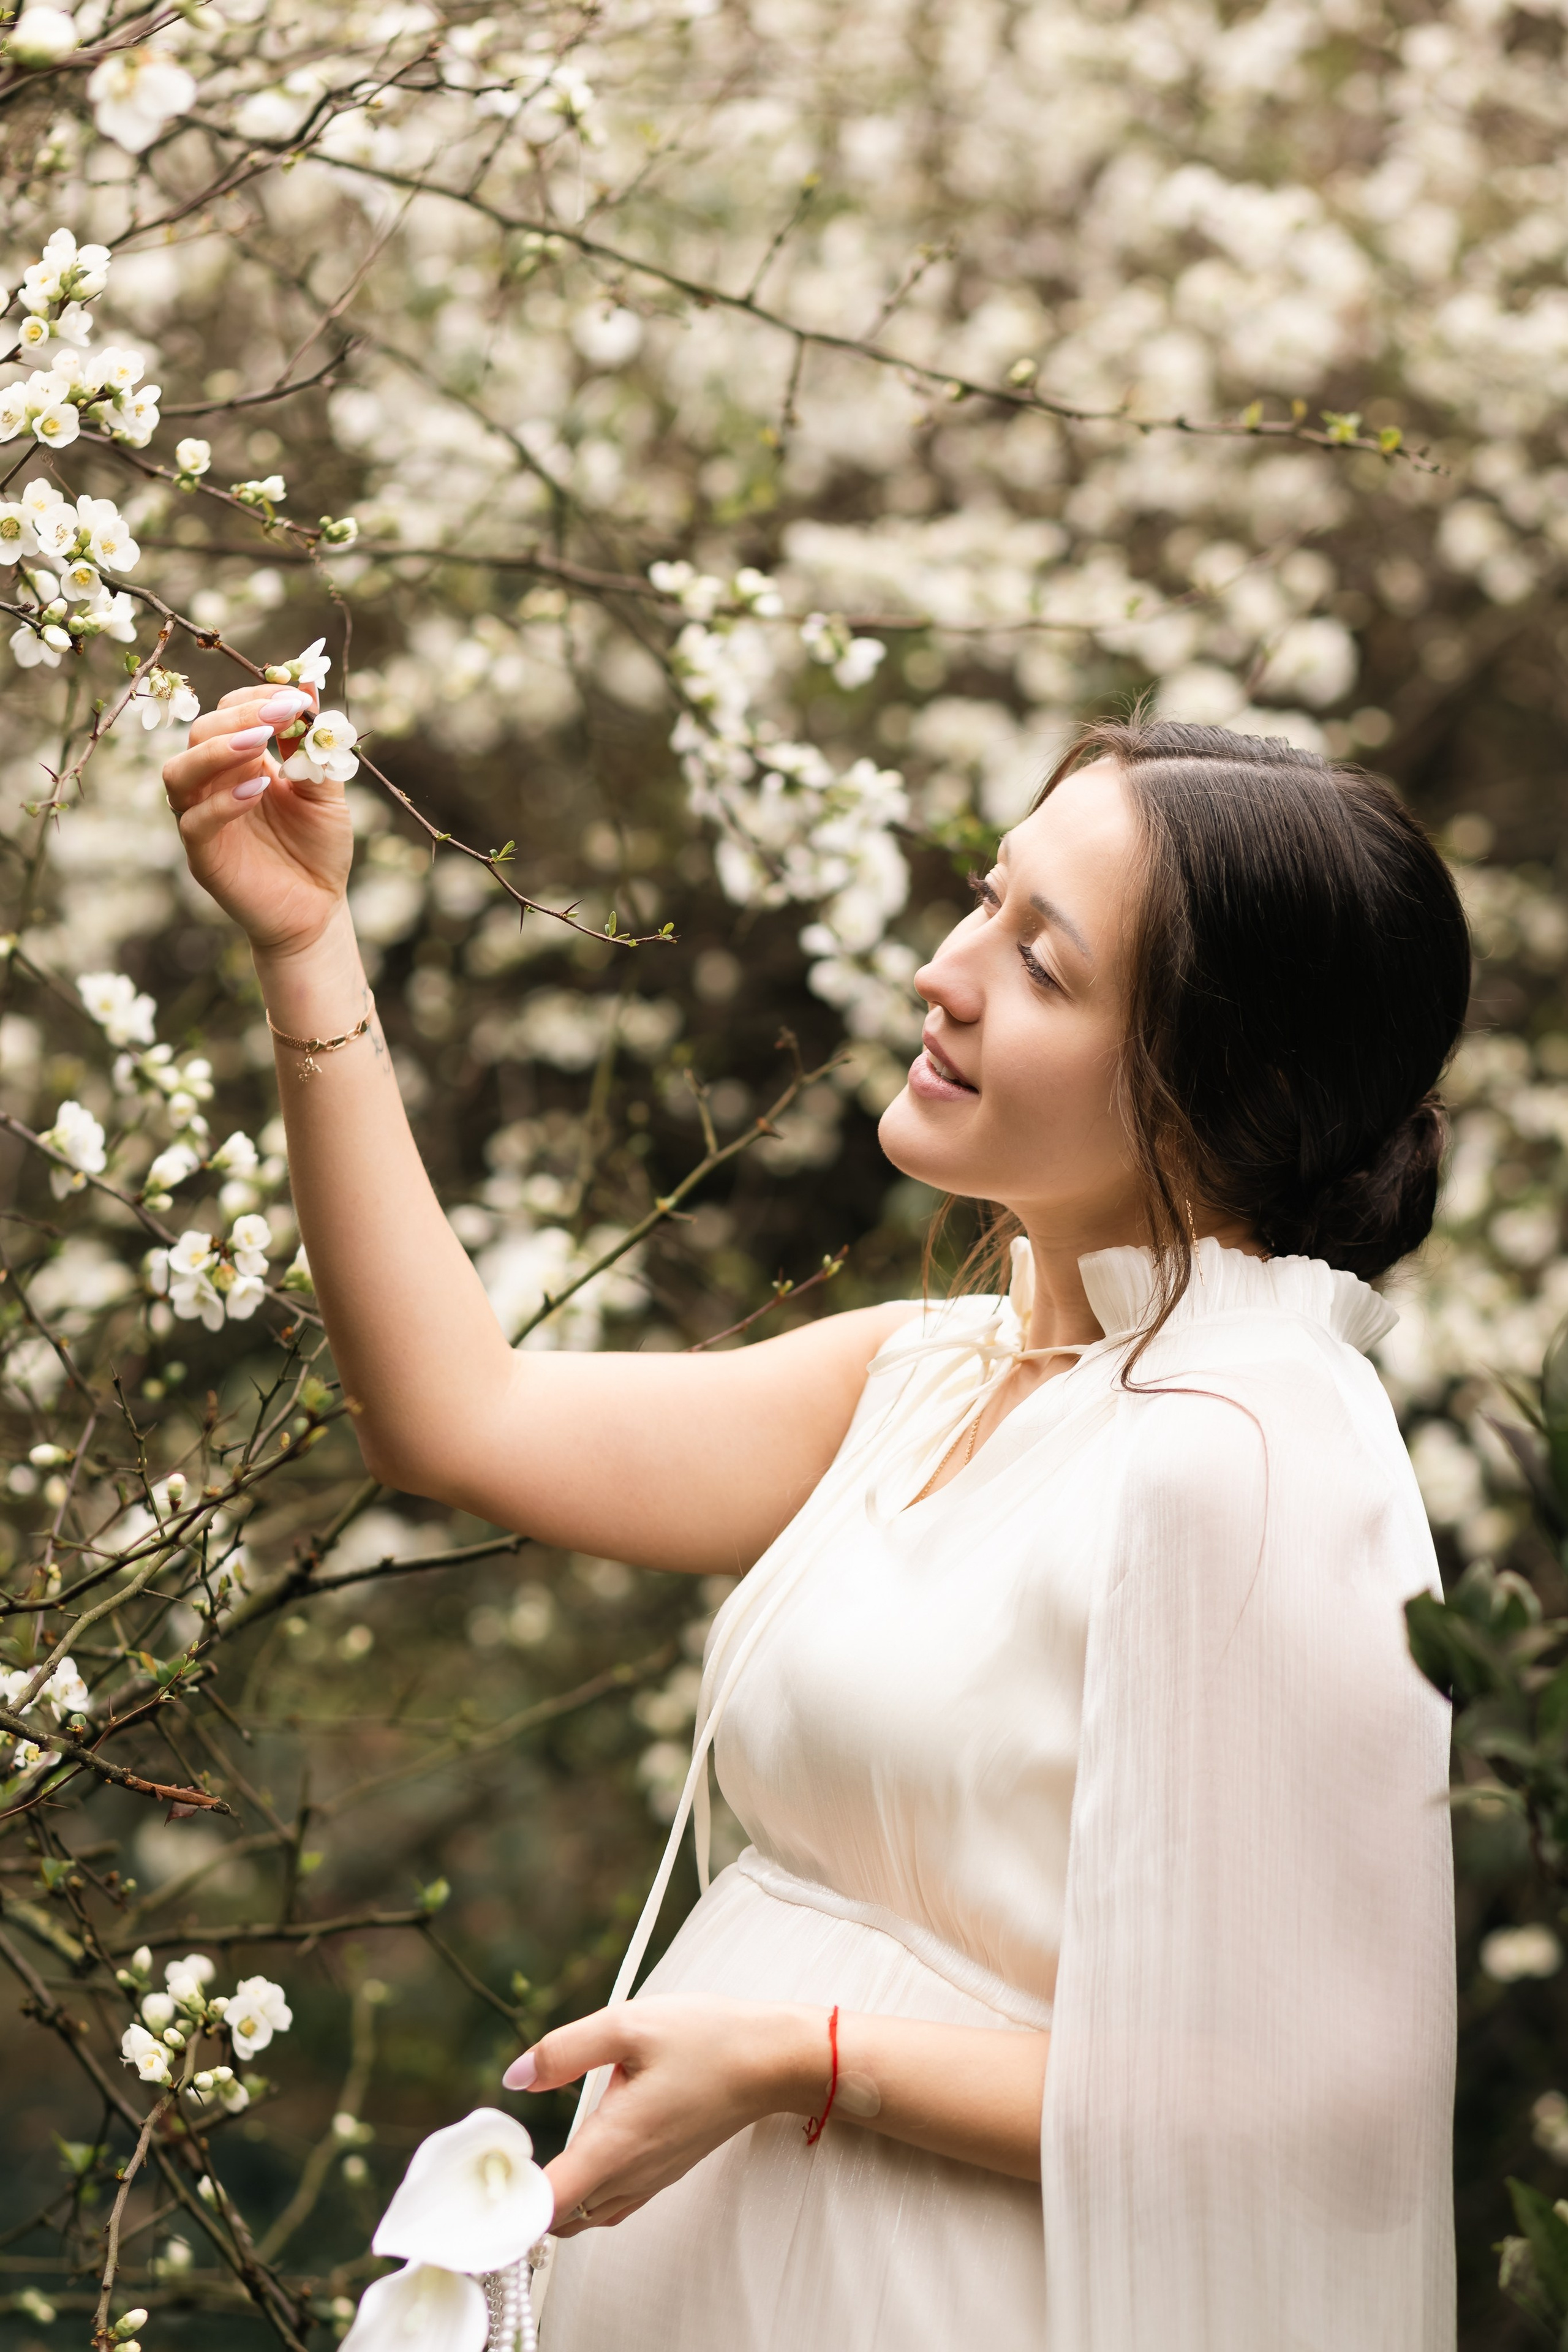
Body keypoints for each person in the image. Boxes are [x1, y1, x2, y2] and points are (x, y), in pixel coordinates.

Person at [162, 702, 1465, 2351]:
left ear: (1231, 1089)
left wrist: (805, 2055)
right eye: (986, 899)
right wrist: (308, 945)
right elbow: (455, 1419)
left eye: (1046, 966)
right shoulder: (942, 1371)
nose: (946, 969)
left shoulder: (1248, 1455)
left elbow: (1310, 2106)